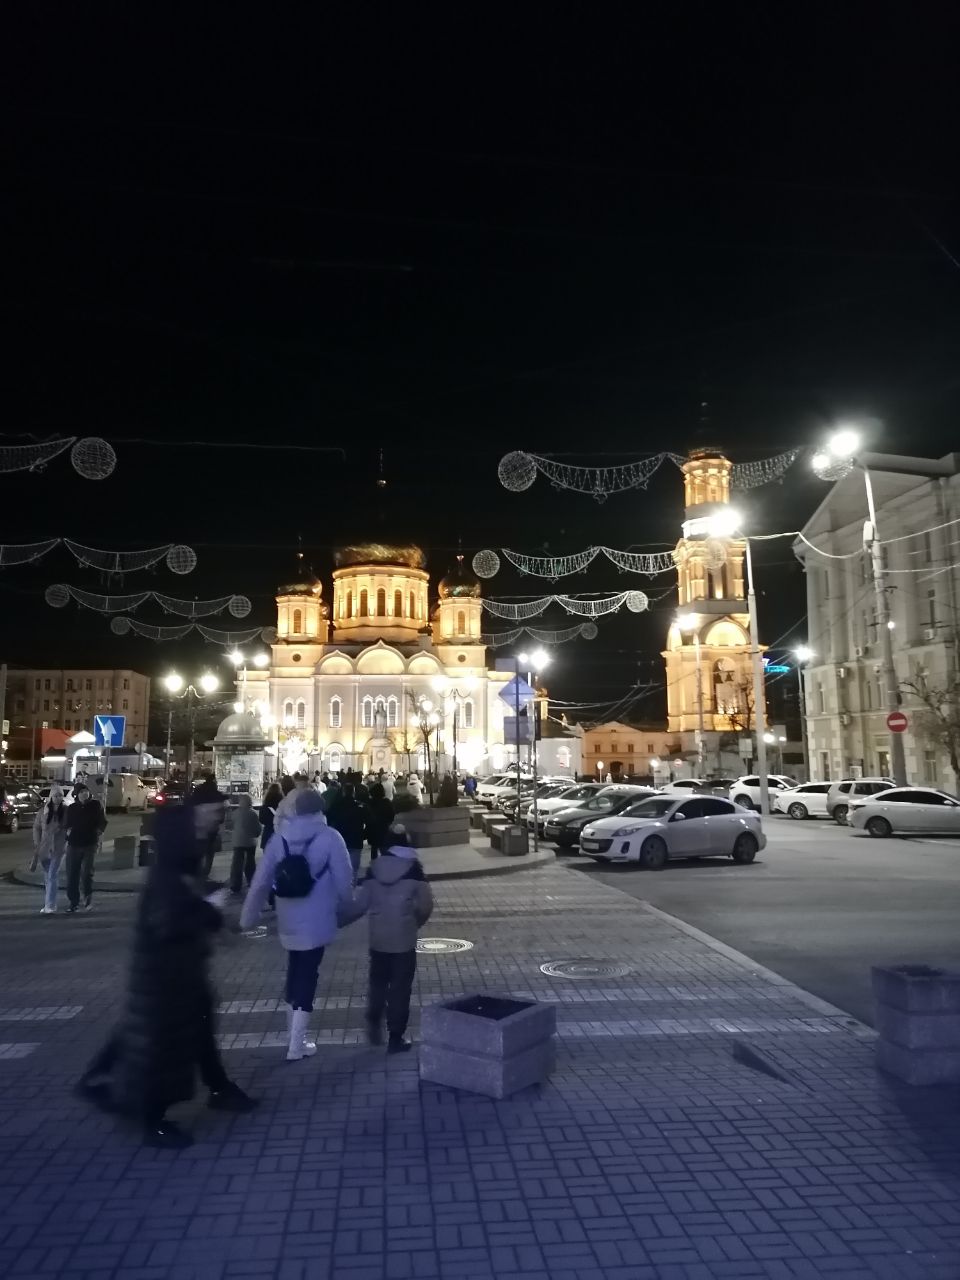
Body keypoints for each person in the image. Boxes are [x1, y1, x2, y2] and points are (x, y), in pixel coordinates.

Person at [77, 804, 257, 1148]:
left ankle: (218, 1087)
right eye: (197, 826)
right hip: (164, 981)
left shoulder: (178, 870)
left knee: (198, 1029)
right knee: (157, 1047)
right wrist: (210, 912)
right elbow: (171, 920)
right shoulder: (166, 879)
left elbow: (190, 906)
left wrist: (209, 911)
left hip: (183, 976)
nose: (205, 830)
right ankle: (150, 1119)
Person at [240, 789, 354, 1061]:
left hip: (288, 917)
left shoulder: (280, 839)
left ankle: (292, 1035)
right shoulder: (330, 837)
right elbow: (344, 880)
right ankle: (297, 1043)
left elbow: (260, 882)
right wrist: (346, 906)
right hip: (318, 918)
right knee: (308, 973)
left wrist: (248, 918)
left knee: (294, 970)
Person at [355, 825, 433, 1053]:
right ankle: (395, 1037)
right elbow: (426, 905)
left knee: (378, 982)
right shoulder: (414, 869)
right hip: (403, 940)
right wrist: (414, 922)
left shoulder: (374, 868)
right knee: (400, 988)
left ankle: (374, 1016)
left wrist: (337, 919)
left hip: (378, 938)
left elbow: (361, 903)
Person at [64, 783, 107, 913]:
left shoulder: (95, 805)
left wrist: (98, 832)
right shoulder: (72, 808)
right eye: (81, 792)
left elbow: (102, 821)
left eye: (86, 791)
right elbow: (67, 824)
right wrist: (68, 832)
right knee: (72, 874)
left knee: (87, 873)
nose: (84, 794)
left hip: (89, 844)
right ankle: (73, 902)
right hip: (74, 844)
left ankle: (87, 899)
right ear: (76, 795)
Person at [32, 785, 67, 914]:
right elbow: (36, 828)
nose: (58, 798)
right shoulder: (43, 811)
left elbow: (71, 827)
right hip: (44, 848)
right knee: (48, 877)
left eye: (60, 795)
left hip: (59, 848)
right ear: (51, 797)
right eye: (56, 795)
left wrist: (67, 840)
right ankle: (50, 903)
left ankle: (50, 905)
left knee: (52, 875)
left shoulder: (66, 810)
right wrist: (37, 843)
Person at [188, 772, 226, 878]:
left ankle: (198, 870)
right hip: (211, 829)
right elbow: (221, 818)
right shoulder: (217, 796)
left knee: (199, 850)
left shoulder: (198, 792)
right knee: (209, 851)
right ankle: (205, 872)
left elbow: (189, 807)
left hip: (198, 828)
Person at [327, 782, 367, 883]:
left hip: (340, 839)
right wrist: (364, 834)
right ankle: (352, 886)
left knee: (340, 866)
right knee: (354, 868)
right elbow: (370, 821)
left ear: (343, 792)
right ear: (353, 792)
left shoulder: (336, 805)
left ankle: (342, 884)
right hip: (356, 839)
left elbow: (329, 820)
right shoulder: (360, 806)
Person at [229, 794, 261, 896]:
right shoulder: (254, 814)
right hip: (250, 842)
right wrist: (256, 834)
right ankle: (252, 881)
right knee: (250, 862)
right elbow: (258, 829)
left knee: (237, 863)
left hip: (238, 841)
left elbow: (231, 826)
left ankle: (235, 884)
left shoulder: (235, 813)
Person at [365, 782, 394, 863]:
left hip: (372, 829)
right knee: (384, 848)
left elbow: (366, 815)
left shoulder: (369, 802)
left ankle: (374, 865)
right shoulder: (386, 802)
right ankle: (385, 864)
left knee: (374, 849)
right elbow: (391, 815)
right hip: (383, 828)